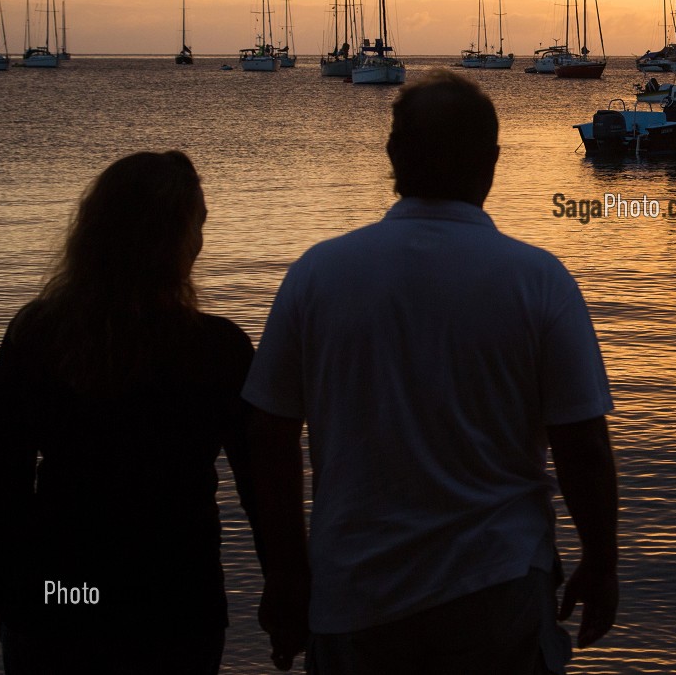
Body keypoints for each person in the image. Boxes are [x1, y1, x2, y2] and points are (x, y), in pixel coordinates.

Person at [245, 70, 618, 674]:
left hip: (355, 596)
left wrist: (286, 576)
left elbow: (269, 437)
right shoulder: (538, 281)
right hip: (496, 590)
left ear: (393, 154)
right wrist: (602, 562)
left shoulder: (318, 276)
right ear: (492, 161)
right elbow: (582, 444)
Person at [0, 150, 256, 675]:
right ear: (177, 240)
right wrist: (288, 589)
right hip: (175, 601)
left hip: (63, 595)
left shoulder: (38, 333)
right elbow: (259, 486)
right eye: (198, 225)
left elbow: (2, 480)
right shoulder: (217, 349)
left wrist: (9, 594)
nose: (201, 242)